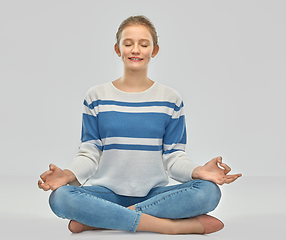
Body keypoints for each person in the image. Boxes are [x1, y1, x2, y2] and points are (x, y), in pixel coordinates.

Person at [38, 15, 242, 235]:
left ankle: (101, 219)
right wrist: (68, 175)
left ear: (154, 51)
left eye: (143, 44)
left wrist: (198, 171)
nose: (135, 49)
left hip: (155, 194)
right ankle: (168, 227)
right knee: (60, 198)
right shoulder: (96, 96)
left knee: (208, 192)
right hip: (107, 192)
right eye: (128, 44)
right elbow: (90, 152)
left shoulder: (170, 99)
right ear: (118, 49)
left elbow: (174, 156)